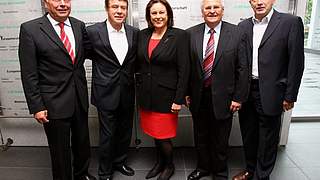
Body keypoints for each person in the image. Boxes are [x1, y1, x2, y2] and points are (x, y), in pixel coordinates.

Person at [18, 0, 95, 180]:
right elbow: (29, 73)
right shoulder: (30, 29)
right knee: (59, 151)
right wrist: (36, 106)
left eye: (66, 0)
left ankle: (82, 174)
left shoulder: (78, 25)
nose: (62, 4)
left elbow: (90, 53)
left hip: (79, 97)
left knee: (82, 143)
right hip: (53, 102)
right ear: (45, 3)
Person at [233, 0, 305, 180]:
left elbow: (296, 63)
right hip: (247, 90)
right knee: (249, 134)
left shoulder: (290, 22)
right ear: (250, 2)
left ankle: (262, 176)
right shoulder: (243, 26)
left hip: (273, 92)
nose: (259, 2)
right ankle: (250, 170)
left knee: (268, 139)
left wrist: (290, 95)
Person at [185, 0, 248, 179]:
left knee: (220, 138)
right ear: (202, 12)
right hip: (198, 96)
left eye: (216, 7)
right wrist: (187, 93)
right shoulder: (191, 33)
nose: (212, 11)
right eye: (208, 8)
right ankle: (203, 168)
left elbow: (243, 68)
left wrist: (238, 97)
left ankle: (220, 172)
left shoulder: (237, 33)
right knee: (201, 135)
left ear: (222, 10)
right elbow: (187, 67)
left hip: (225, 97)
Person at [135, 0, 190, 179]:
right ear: (149, 16)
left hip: (167, 97)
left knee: (163, 135)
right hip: (147, 95)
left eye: (161, 13)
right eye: (154, 13)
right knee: (154, 133)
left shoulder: (180, 36)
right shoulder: (142, 35)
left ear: (168, 15)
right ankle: (159, 163)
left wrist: (178, 99)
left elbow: (184, 70)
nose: (158, 17)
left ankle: (169, 166)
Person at [85, 0, 138, 180]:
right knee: (107, 134)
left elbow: (134, 61)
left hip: (127, 91)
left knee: (125, 131)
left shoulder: (134, 33)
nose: (119, 11)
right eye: (115, 7)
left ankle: (120, 162)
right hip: (105, 91)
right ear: (107, 8)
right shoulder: (92, 32)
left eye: (123, 7)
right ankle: (105, 171)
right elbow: (87, 54)